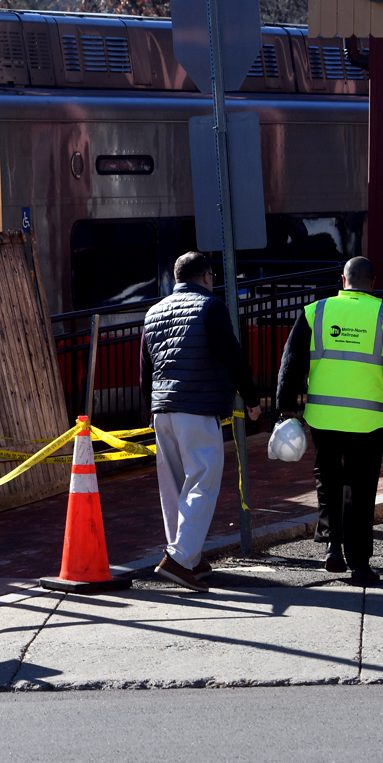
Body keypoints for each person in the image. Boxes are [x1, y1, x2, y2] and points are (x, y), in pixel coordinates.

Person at [276, 256, 383, 586]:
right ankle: (360, 565)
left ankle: (332, 548)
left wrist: (286, 408)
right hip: (367, 418)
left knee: (328, 480)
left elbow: (291, 362)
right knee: (361, 487)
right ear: (373, 283)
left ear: (343, 281)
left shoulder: (315, 312)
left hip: (323, 417)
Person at [141, 251, 262, 592]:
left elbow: (145, 369)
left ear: (176, 278)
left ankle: (188, 558)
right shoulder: (210, 307)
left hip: (162, 409)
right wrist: (251, 398)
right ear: (207, 277)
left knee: (173, 486)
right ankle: (180, 560)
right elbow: (232, 356)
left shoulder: (153, 312)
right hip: (197, 407)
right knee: (203, 482)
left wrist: (149, 411)